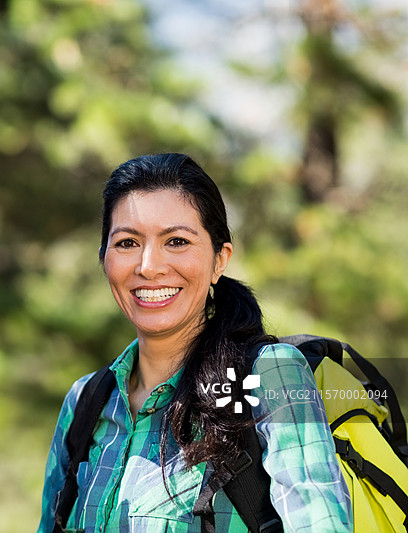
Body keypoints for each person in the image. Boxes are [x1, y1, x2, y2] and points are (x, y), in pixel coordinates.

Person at [37, 153, 352, 533]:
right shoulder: (85, 402)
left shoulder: (269, 376)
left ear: (220, 260)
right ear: (104, 257)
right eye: (126, 243)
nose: (149, 266)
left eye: (177, 241)